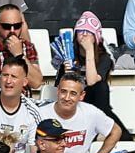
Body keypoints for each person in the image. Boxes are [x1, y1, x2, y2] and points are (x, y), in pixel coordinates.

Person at [38, 72, 122, 153]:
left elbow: (116, 131)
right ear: (57, 91)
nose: (67, 98)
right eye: (63, 91)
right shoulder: (42, 114)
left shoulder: (90, 112)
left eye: (73, 93)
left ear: (81, 96)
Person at [54, 11, 130, 141]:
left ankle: (119, 138)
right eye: (80, 31)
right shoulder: (68, 55)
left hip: (97, 105)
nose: (84, 35)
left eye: (89, 32)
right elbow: (60, 87)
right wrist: (67, 73)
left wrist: (89, 50)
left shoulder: (104, 58)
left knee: (100, 86)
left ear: (96, 36)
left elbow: (91, 81)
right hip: (74, 102)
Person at [0, 4, 43, 95]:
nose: (12, 31)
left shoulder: (28, 47)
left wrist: (20, 55)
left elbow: (36, 83)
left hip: (25, 105)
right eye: (6, 26)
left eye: (17, 26)